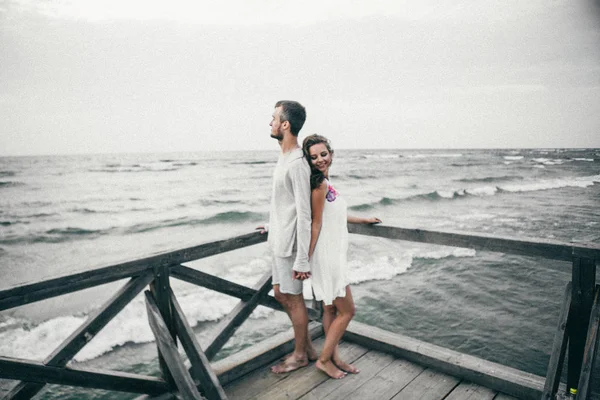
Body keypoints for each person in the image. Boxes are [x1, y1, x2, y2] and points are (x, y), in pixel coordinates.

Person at [301, 134, 381, 379]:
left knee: (329, 309)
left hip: (331, 252)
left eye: (323, 154)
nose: (320, 160)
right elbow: (315, 223)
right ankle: (324, 359)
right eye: (313, 157)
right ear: (308, 160)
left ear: (331, 154)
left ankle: (334, 357)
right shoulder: (319, 184)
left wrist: (364, 219)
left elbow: (333, 215)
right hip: (326, 255)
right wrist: (305, 259)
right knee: (348, 311)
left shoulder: (325, 182)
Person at [256, 100, 317, 373]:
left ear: (285, 124)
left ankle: (300, 354)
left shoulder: (297, 164)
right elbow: (285, 203)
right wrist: (273, 225)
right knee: (281, 294)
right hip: (279, 239)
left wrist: (303, 260)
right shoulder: (283, 159)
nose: (269, 123)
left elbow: (305, 215)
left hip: (292, 245)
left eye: (273, 118)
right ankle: (309, 347)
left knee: (293, 299)